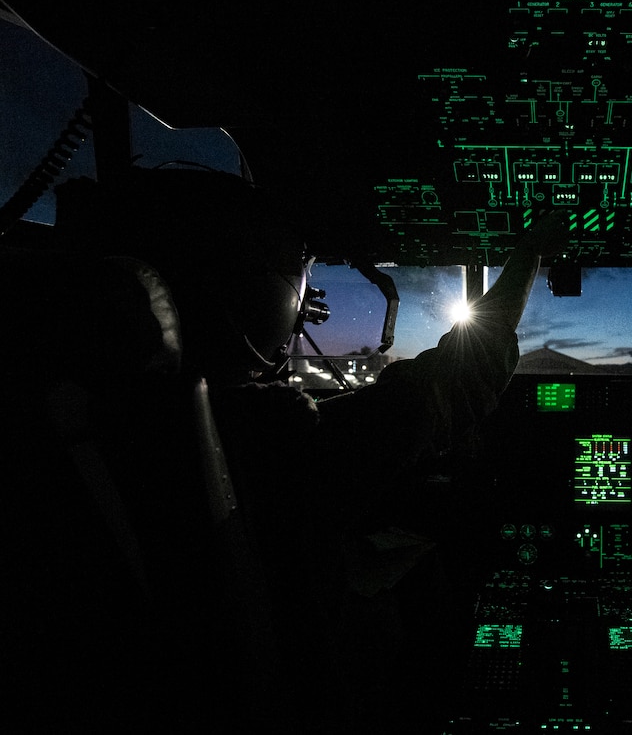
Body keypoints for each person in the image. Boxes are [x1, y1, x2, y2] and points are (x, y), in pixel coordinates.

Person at [31, 166, 571, 730]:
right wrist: (529, 252)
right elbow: (455, 381)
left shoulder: (76, 419)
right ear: (261, 295)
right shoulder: (268, 437)